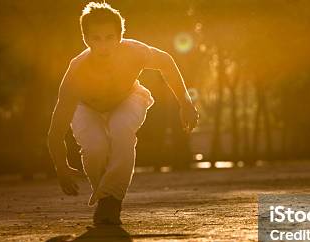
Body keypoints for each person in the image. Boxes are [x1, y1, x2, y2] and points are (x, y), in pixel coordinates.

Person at [47, 2, 199, 225]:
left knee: (121, 129)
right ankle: (103, 193)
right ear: (86, 39)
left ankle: (112, 200)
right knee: (95, 147)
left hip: (128, 98)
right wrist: (60, 166)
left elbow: (166, 62)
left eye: (110, 37)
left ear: (120, 36)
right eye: (96, 38)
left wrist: (185, 103)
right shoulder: (76, 71)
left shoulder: (134, 51)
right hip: (86, 107)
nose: (104, 46)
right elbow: (56, 130)